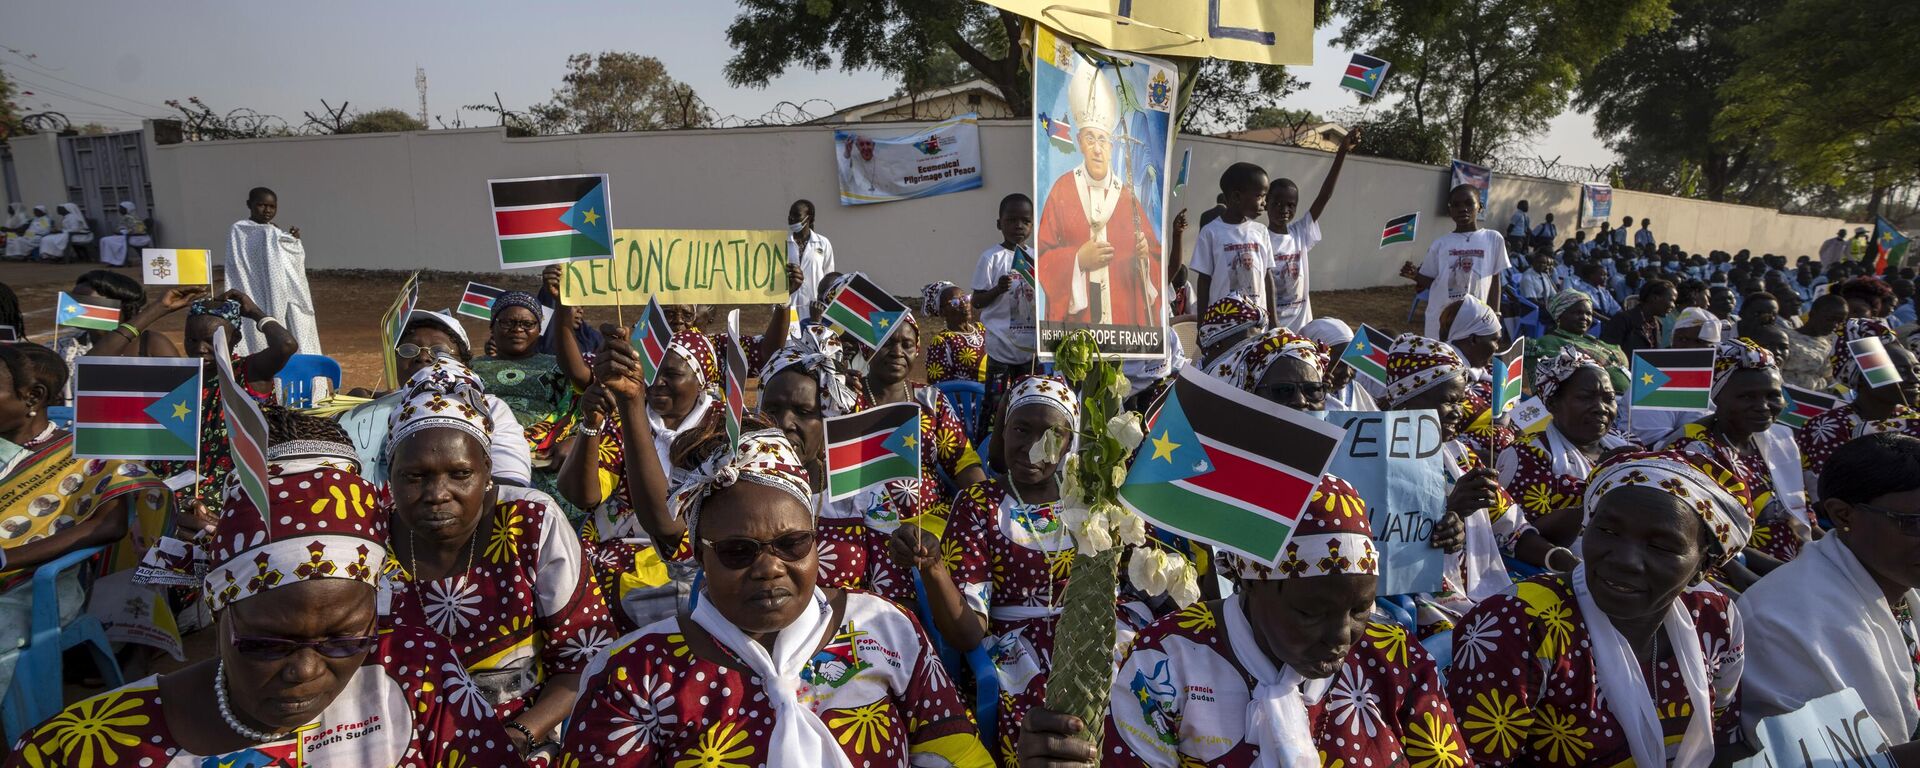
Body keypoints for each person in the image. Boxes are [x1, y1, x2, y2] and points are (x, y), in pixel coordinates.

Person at [5, 423, 518, 767]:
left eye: (344, 640)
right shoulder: (83, 748)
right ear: (218, 608)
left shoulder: (416, 674)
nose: (305, 671)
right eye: (267, 644)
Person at [557, 426, 994, 767]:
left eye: (792, 544)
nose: (769, 568)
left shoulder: (884, 626)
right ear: (700, 556)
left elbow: (951, 747)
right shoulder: (636, 671)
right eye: (737, 551)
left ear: (816, 541)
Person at [1014, 459, 1471, 766]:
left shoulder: (1396, 661)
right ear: (1251, 584)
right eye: (1310, 612)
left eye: (1361, 607)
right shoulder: (1169, 659)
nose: (1341, 635)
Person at [1446, 449, 1750, 767]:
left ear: (1704, 566)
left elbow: (1722, 735)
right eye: (1607, 531)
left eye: (1661, 546)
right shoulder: (1520, 624)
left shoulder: (1716, 617)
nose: (1624, 560)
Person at [379, 359, 616, 759]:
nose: (438, 493)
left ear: (487, 470)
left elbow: (585, 659)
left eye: (459, 474)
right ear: (391, 475)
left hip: (525, 733)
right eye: (414, 476)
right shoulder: (368, 536)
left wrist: (516, 735)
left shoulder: (529, 522)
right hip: (397, 738)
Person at [889, 375, 1093, 763]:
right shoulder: (979, 503)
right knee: (1049, 718)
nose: (1034, 447)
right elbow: (967, 633)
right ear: (1002, 432)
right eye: (1021, 429)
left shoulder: (1091, 499)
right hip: (1020, 653)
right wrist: (934, 568)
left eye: (1052, 434)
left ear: (1070, 442)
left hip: (1092, 634)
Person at [0, 344, 177, 696]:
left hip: (35, 588)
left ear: (32, 397)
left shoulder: (85, 455)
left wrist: (7, 559)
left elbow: (108, 526)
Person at [1742, 433, 1920, 755]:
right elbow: (1813, 760)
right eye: (1913, 523)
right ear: (1842, 515)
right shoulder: (1780, 619)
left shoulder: (1900, 583)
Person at [1664, 339, 1804, 579]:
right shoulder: (1695, 452)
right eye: (1747, 397)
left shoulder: (1778, 441)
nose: (1763, 406)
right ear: (1718, 398)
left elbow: (1801, 516)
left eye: (1773, 395)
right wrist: (1790, 578)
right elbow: (1709, 540)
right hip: (1737, 575)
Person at [1036, 62, 1163, 328]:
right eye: (1090, 139)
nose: (1097, 149)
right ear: (1080, 142)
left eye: (1103, 140)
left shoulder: (1127, 199)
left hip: (1122, 320)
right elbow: (1043, 256)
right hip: (1078, 322)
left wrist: (1144, 257)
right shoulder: (1062, 190)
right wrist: (1078, 260)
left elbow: (1154, 257)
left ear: (1112, 145)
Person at [1499, 347, 1635, 547]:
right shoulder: (1526, 454)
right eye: (1585, 397)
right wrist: (1600, 482)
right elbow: (1518, 536)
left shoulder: (1627, 443)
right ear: (1553, 404)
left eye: (1609, 399)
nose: (1601, 408)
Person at [1796, 319, 1920, 490]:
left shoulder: (1914, 420)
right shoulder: (1829, 427)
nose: (1914, 380)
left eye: (1916, 370)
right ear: (1862, 378)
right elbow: (1832, 493)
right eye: (1900, 371)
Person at [1265, 126, 1360, 330]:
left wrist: (1342, 152)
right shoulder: (1260, 238)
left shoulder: (1299, 232)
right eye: (1277, 203)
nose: (1284, 210)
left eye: (1291, 205)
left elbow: (1324, 196)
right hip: (1270, 327)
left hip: (1301, 326)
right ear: (1266, 203)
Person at [227, 186, 322, 354]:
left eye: (272, 207)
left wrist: (291, 241)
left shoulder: (274, 230)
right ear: (249, 204)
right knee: (256, 332)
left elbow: (285, 261)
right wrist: (274, 236)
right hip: (253, 288)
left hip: (278, 290)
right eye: (261, 205)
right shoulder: (240, 229)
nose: (267, 210)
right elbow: (241, 261)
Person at [973, 193, 1040, 418]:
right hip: (1001, 347)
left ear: (1033, 224)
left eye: (1025, 221)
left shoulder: (1037, 258)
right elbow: (977, 301)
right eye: (1011, 220)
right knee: (996, 405)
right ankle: (989, 446)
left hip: (1030, 350)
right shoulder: (991, 258)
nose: (1018, 226)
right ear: (999, 223)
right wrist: (997, 289)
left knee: (1030, 402)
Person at [1415, 183, 1506, 338]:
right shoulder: (1440, 244)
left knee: (1472, 359)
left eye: (1469, 203)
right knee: (1442, 357)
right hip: (1442, 316)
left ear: (1480, 206)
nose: (1462, 208)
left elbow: (1495, 278)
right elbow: (1431, 282)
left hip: (1476, 316)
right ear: (1450, 211)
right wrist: (1415, 275)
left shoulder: (1493, 238)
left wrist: (1495, 313)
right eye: (1456, 205)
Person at [1188, 162, 1271, 314]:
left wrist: (1273, 320)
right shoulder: (1210, 232)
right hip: (1224, 323)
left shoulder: (1261, 232)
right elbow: (1204, 282)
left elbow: (1267, 277)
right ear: (1237, 196)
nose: (1264, 203)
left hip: (1258, 324)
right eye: (1259, 196)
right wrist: (1202, 326)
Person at [1527, 289, 1632, 395]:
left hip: (1627, 397)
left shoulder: (1592, 340)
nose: (1584, 318)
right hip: (1594, 402)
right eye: (1578, 313)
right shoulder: (1549, 341)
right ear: (1560, 315)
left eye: (1588, 314)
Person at [1301, 317, 1379, 411]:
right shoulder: (1296, 395)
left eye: (1352, 364)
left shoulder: (1355, 390)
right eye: (1337, 365)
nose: (1347, 373)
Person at [785, 198, 834, 336]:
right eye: (789, 214)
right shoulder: (782, 243)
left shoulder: (823, 243)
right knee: (790, 343)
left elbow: (829, 279)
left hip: (815, 308)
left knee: (812, 341)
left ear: (809, 217)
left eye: (796, 215)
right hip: (789, 305)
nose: (791, 218)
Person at [922, 281, 987, 384]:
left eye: (965, 298)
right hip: (970, 398)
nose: (963, 304)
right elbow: (940, 386)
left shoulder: (982, 328)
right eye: (955, 302)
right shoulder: (942, 342)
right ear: (942, 312)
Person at [1784, 294, 1847, 391]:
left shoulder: (1831, 345)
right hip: (1789, 396)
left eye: (1840, 321)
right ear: (1812, 314)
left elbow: (1830, 378)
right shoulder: (1785, 338)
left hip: (1817, 398)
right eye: (1830, 319)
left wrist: (1844, 393)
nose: (1835, 325)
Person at [1602, 278, 1676, 356]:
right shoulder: (1622, 320)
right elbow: (1607, 354)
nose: (1673, 306)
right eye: (1671, 300)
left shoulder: (1657, 325)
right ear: (1655, 298)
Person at [1195, 293, 1265, 366]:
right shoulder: (1189, 374)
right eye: (1246, 343)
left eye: (1258, 340)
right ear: (1217, 342)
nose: (1255, 348)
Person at [97, 201, 150, 267]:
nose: (120, 210)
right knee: (105, 240)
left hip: (135, 238)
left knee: (106, 241)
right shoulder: (129, 217)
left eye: (121, 208)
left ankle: (119, 262)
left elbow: (138, 230)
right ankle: (115, 261)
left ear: (128, 209)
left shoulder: (131, 217)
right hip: (130, 237)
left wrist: (123, 232)